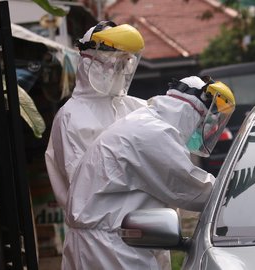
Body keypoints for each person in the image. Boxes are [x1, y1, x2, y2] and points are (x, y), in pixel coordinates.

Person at [62, 76, 236, 269]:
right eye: (207, 121)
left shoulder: (144, 121)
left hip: (103, 239)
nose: (208, 129)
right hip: (111, 247)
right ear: (195, 112)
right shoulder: (154, 134)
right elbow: (198, 192)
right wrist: (237, 190)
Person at [44, 21, 146, 210]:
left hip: (147, 226)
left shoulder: (135, 107)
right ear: (90, 61)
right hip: (100, 233)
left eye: (125, 63)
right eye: (115, 62)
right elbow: (89, 188)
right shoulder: (71, 117)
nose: (118, 70)